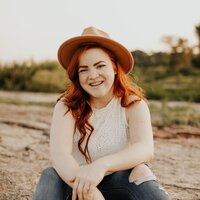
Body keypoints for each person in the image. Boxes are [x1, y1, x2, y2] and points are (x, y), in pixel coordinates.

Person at [32, 26, 170, 200]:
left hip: (118, 184)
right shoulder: (66, 106)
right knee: (50, 176)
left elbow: (145, 149)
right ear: (77, 75)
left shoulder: (134, 104)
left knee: (141, 172)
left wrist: (101, 166)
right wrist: (90, 192)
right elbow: (60, 154)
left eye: (100, 66)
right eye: (84, 69)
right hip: (75, 185)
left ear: (114, 67)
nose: (93, 75)